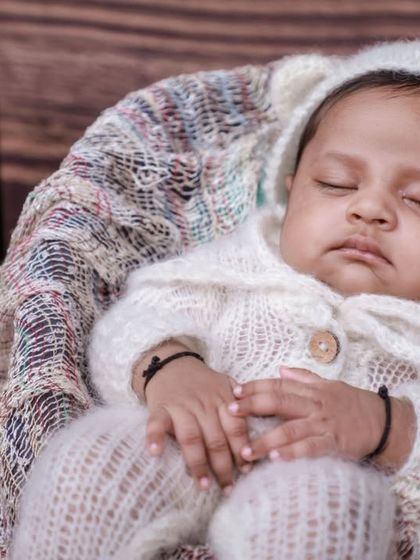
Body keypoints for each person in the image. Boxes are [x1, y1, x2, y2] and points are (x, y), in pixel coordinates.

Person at [10, 42, 420, 560]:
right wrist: (170, 368)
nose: (370, 209)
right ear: (291, 195)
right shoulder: (241, 264)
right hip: (187, 444)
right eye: (336, 183)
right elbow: (140, 316)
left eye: (416, 200)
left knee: (330, 509)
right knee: (89, 460)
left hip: (326, 482)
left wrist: (388, 426)